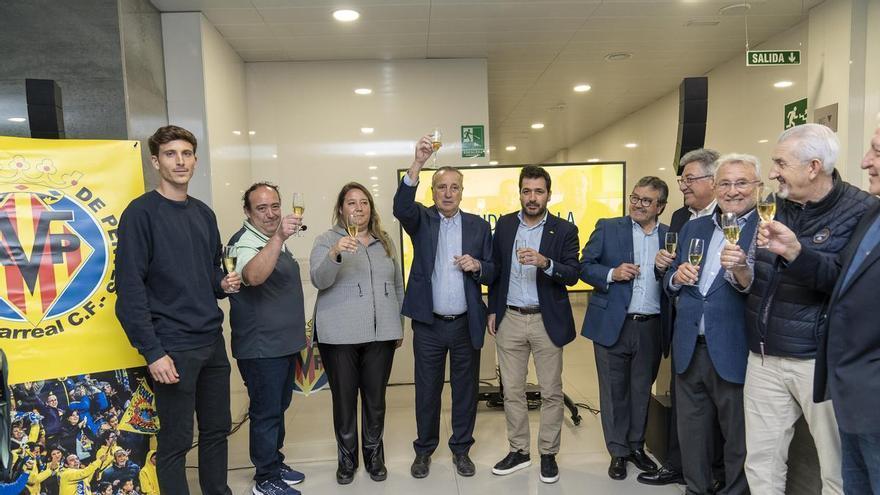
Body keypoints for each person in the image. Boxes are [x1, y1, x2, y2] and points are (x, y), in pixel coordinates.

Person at [741, 124, 875, 494]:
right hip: (764, 356)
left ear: (814, 167)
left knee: (837, 468)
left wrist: (798, 253)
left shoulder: (863, 212)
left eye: (780, 163)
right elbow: (760, 274)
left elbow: (849, 286)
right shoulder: (776, 204)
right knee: (762, 463)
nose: (772, 173)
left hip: (819, 362)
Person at [115, 125, 240, 495]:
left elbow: (207, 274)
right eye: (170, 154)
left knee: (218, 429)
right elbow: (130, 291)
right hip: (172, 347)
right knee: (176, 441)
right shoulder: (140, 214)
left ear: (195, 160)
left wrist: (222, 283)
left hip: (211, 341)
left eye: (186, 154)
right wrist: (153, 352)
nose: (180, 161)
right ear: (156, 161)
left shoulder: (204, 214)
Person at [393, 137, 494, 479]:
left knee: (466, 391)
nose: (448, 193)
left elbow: (493, 270)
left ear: (462, 192)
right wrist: (418, 163)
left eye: (454, 187)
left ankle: (461, 450)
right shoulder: (421, 220)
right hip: (429, 325)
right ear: (432, 192)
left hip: (466, 323)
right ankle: (424, 450)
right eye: (441, 187)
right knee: (427, 390)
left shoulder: (479, 226)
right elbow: (400, 208)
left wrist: (478, 266)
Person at [664, 153, 761, 494]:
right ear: (715, 187)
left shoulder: (767, 229)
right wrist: (676, 278)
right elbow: (670, 283)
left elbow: (768, 289)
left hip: (734, 349)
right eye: (725, 183)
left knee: (738, 437)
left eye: (742, 183)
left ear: (758, 187)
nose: (732, 191)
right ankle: (696, 489)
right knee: (691, 434)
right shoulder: (695, 227)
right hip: (690, 347)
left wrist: (743, 272)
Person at [487, 165, 580, 484]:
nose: (532, 197)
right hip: (510, 317)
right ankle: (519, 451)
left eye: (539, 191)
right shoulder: (505, 224)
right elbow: (497, 271)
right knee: (512, 390)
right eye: (526, 190)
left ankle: (549, 454)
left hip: (546, 319)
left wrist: (546, 263)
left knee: (551, 391)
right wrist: (493, 310)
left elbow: (572, 273)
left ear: (548, 195)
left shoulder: (563, 230)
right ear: (520, 193)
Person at [310, 182, 404, 485]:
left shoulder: (384, 240)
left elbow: (398, 285)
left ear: (370, 208)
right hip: (339, 336)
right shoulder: (326, 240)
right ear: (341, 209)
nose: (358, 208)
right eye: (351, 203)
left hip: (381, 335)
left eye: (364, 202)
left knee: (375, 401)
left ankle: (375, 457)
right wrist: (336, 253)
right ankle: (347, 461)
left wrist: (398, 323)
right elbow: (319, 280)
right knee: (345, 400)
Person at [580, 176, 669, 480]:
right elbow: (585, 265)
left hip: (651, 326)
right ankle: (618, 452)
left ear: (660, 206)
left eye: (646, 201)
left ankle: (636, 447)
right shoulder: (609, 227)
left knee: (641, 389)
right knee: (613, 391)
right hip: (612, 324)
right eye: (635, 198)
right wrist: (611, 273)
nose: (638, 205)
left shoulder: (672, 236)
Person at [646, 148, 725, 488]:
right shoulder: (680, 218)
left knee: (722, 412)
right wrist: (664, 267)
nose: (683, 186)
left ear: (713, 180)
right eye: (682, 179)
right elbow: (672, 270)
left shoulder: (729, 217)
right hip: (683, 326)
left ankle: (715, 473)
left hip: (720, 332)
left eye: (690, 179)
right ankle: (680, 465)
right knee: (684, 405)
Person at [228, 182, 307, 495]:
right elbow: (254, 276)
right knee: (266, 411)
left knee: (278, 406)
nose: (271, 213)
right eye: (261, 208)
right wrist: (279, 237)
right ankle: (265, 478)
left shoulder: (272, 239)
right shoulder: (245, 242)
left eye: (275, 205)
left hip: (283, 344)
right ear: (248, 212)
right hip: (261, 348)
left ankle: (274, 461)